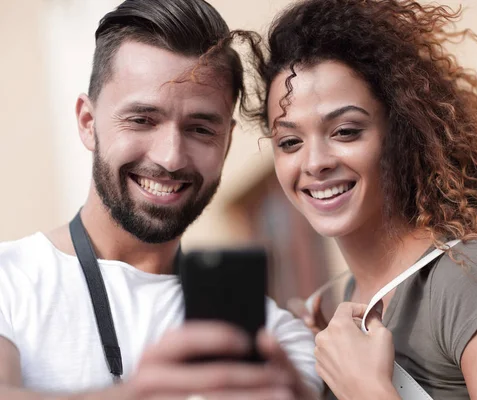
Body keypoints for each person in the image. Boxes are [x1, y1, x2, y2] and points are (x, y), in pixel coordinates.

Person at [251, 0, 477, 399]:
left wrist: (366, 390)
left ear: (399, 133)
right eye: (290, 142)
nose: (314, 163)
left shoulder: (469, 277)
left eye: (346, 131)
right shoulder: (350, 301)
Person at [0, 1, 321, 399]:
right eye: (142, 120)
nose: (170, 156)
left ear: (226, 143)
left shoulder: (274, 336)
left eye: (200, 129)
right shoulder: (8, 280)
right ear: (88, 122)